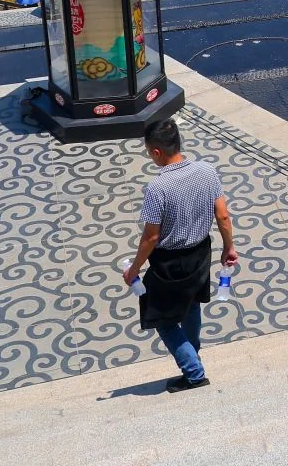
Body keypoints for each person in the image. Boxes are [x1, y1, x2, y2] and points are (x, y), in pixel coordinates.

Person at [123, 118, 238, 393]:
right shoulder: (207, 171)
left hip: (169, 263)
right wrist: (228, 247)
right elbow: (222, 215)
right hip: (200, 254)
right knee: (191, 304)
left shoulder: (157, 188)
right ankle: (193, 351)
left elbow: (151, 236)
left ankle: (193, 371)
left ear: (156, 152)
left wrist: (134, 269)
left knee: (161, 318)